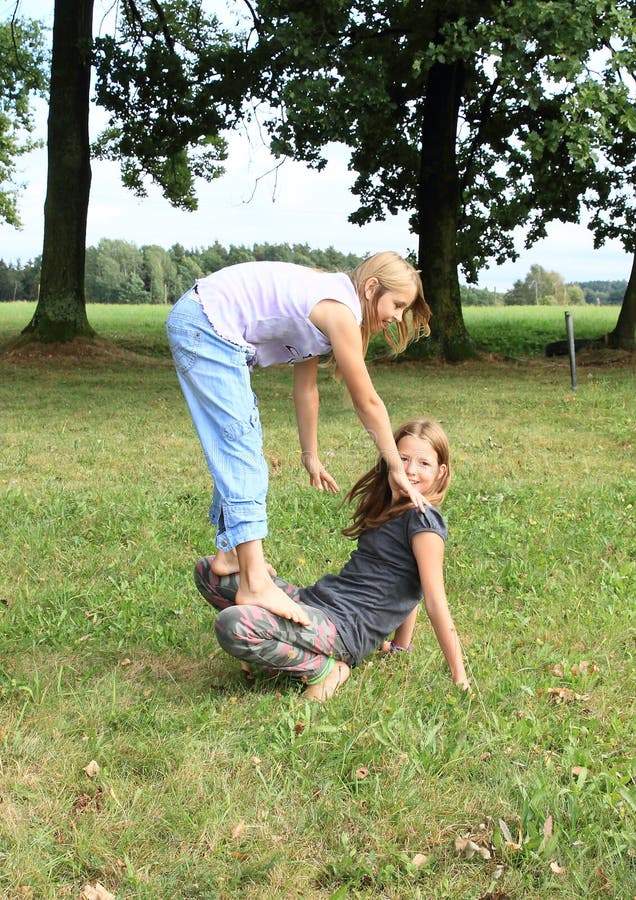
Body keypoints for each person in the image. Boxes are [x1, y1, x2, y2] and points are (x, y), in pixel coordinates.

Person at [166, 252, 431, 620]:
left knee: (239, 444)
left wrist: (311, 453)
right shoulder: (340, 311)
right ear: (372, 288)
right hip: (207, 324)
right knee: (240, 449)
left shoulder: (327, 303)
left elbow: (306, 390)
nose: (398, 317)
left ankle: (230, 555)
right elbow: (367, 400)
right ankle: (255, 584)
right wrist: (393, 463)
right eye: (397, 304)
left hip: (204, 323)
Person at [194, 419, 470, 702]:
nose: (411, 470)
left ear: (441, 472)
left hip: (344, 629)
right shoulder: (390, 506)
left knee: (233, 624)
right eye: (402, 459)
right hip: (316, 602)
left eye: (424, 463)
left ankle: (325, 669)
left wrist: (459, 677)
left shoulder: (424, 522)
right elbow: (408, 585)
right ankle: (273, 646)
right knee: (210, 572)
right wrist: (400, 646)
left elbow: (433, 599)